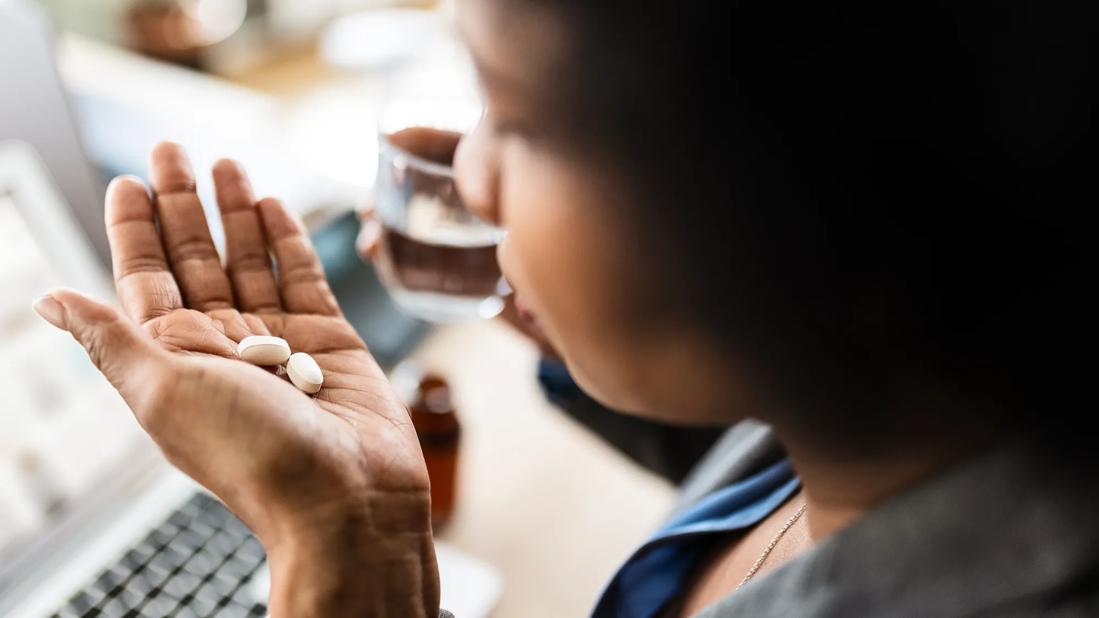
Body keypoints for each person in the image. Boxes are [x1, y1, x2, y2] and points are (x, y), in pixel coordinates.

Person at [32, 0, 1094, 615]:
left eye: (519, 119)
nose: (470, 176)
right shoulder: (885, 418)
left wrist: (337, 554)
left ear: (797, 204)